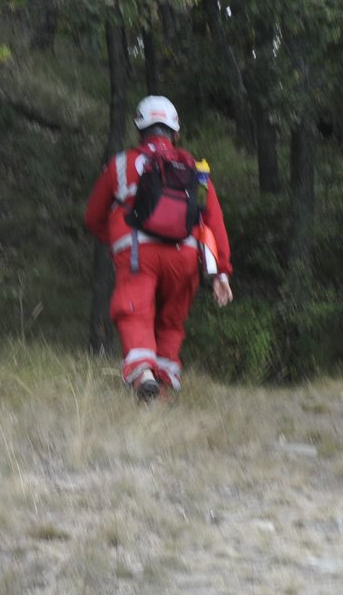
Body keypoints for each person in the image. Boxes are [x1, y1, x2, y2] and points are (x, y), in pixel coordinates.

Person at [84, 95, 233, 401]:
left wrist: (117, 244)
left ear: (140, 130)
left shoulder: (121, 164)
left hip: (139, 254)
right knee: (171, 320)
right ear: (175, 133)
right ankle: (160, 390)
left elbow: (93, 217)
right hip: (186, 256)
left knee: (134, 311)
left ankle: (143, 374)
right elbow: (214, 222)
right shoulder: (196, 169)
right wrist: (221, 272)